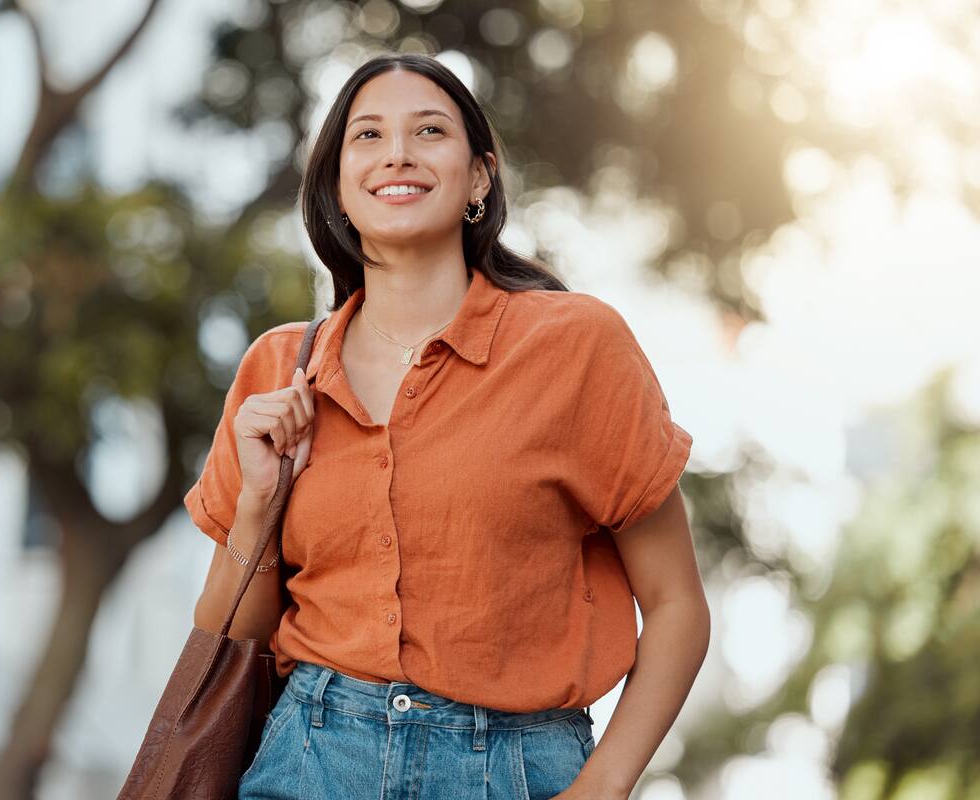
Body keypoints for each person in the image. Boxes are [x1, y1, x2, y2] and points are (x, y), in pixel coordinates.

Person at [190, 52, 710, 800]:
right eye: (367, 136)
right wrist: (257, 506)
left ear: (478, 178)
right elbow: (228, 642)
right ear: (337, 184)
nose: (396, 152)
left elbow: (676, 605)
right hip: (308, 761)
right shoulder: (277, 370)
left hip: (516, 770)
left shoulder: (575, 347)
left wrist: (603, 789)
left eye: (428, 131)